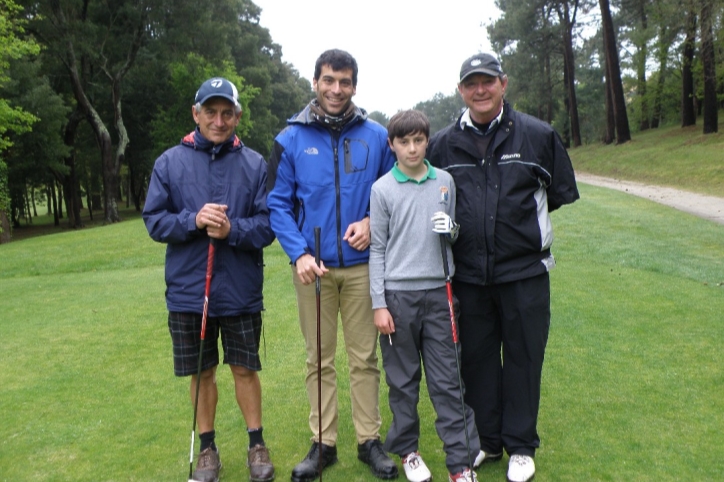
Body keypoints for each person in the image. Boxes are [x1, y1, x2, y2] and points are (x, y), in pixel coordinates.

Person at [427, 53, 579, 482]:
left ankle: (521, 444)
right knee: (475, 360)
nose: (480, 90)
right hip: (468, 275)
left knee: (524, 358)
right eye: (471, 83)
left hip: (525, 272)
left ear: (503, 83)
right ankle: (489, 441)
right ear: (461, 90)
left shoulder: (536, 134)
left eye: (488, 81)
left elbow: (559, 193)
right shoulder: (441, 144)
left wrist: (516, 230)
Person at [266, 49, 398, 482]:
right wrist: (298, 253)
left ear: (355, 86)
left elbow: (394, 192)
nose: (336, 89)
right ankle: (322, 443)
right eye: (328, 80)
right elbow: (277, 204)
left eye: (344, 81)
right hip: (313, 269)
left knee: (364, 359)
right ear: (316, 83)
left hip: (363, 267)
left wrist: (371, 223)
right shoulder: (290, 138)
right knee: (318, 360)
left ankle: (368, 442)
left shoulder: (377, 136)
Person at [143, 77, 276, 482]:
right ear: (196, 113)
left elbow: (269, 225)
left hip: (238, 288)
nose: (219, 120)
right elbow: (154, 220)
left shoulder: (255, 164)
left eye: (227, 113)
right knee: (202, 374)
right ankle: (207, 450)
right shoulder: (169, 162)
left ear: (237, 115)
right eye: (211, 112)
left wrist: (232, 230)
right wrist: (193, 220)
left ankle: (256, 445)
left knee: (243, 370)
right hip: (188, 292)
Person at [369, 110, 481, 482]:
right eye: (404, 142)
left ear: (427, 141)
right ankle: (409, 451)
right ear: (392, 145)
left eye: (419, 140)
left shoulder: (444, 181)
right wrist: (378, 303)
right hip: (398, 296)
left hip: (440, 293)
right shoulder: (382, 188)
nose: (412, 148)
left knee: (448, 380)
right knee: (402, 381)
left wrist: (451, 229)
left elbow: (451, 236)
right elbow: (378, 249)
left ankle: (461, 463)